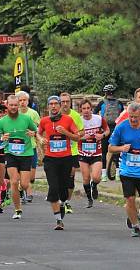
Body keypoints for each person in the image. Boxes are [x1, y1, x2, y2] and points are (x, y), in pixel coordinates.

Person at [108, 101, 140, 237]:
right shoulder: (121, 127)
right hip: (127, 169)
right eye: (130, 116)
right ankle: (135, 226)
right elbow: (110, 148)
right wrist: (121, 148)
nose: (133, 119)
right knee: (130, 199)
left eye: (135, 117)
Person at [37, 95, 81, 231]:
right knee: (53, 187)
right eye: (51, 104)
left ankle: (63, 203)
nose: (54, 106)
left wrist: (65, 132)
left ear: (60, 105)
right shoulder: (44, 121)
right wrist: (40, 139)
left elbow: (77, 137)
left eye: (56, 104)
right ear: (48, 106)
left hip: (66, 159)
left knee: (63, 189)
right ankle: (58, 220)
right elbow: (37, 133)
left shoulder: (68, 120)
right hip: (50, 159)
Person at [0, 95, 38, 220]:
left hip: (26, 154)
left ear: (18, 105)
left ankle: (21, 189)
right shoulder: (1, 122)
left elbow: (37, 131)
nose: (13, 107)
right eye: (11, 105)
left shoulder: (26, 119)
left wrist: (34, 133)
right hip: (10, 154)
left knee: (25, 184)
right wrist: (2, 138)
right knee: (14, 181)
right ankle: (18, 209)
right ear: (7, 105)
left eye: (16, 105)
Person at [79, 98, 110, 207]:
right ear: (81, 110)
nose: (86, 111)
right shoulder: (78, 121)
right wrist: (82, 137)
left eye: (88, 108)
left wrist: (102, 135)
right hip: (83, 153)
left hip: (96, 153)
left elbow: (107, 130)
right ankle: (89, 198)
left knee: (96, 177)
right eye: (84, 109)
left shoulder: (99, 119)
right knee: (86, 178)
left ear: (91, 109)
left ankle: (94, 185)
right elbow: (72, 136)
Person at [59, 92, 84, 214]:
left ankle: (67, 202)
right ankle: (60, 199)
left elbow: (81, 131)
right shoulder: (56, 116)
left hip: (72, 151)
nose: (64, 104)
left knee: (70, 177)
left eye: (67, 101)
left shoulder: (75, 116)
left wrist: (77, 135)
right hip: (58, 151)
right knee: (60, 178)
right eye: (62, 102)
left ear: (70, 103)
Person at [17, 90, 41, 203]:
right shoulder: (14, 113)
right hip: (18, 147)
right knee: (21, 172)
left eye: (24, 100)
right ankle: (25, 192)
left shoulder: (33, 113)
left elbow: (38, 130)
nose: (22, 102)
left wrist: (34, 133)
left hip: (31, 146)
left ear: (28, 101)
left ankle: (24, 187)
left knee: (31, 176)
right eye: (20, 100)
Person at [97, 84, 124, 164]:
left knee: (104, 152)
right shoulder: (119, 103)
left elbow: (94, 113)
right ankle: (117, 173)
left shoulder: (102, 103)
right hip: (116, 129)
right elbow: (122, 115)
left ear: (105, 93)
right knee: (116, 151)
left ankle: (104, 173)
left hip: (105, 129)